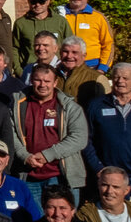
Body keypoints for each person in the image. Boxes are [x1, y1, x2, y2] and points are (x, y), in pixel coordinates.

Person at [83, 63, 131, 213]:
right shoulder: (96, 106)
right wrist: (98, 167)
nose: (120, 81)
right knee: (112, 216)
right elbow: (86, 139)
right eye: (116, 77)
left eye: (125, 78)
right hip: (110, 176)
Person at [10, 64, 88, 203]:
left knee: (61, 216)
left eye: (47, 81)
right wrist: (24, 156)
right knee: (32, 216)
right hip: (28, 176)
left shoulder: (69, 107)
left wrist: (47, 155)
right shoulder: (18, 105)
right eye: (38, 80)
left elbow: (79, 138)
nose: (42, 85)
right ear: (31, 80)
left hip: (60, 176)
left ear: (55, 82)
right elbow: (10, 133)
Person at [59, 0, 116, 72]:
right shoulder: (60, 15)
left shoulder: (98, 17)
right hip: (64, 65)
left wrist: (102, 68)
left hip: (91, 67)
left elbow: (108, 44)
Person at [12, 0, 59, 72]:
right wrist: (19, 71)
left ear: (48, 2)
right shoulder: (21, 23)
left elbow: (68, 45)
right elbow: (15, 48)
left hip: (56, 70)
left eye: (41, 2)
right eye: (34, 2)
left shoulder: (60, 21)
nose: (37, 5)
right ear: (28, 2)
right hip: (29, 71)